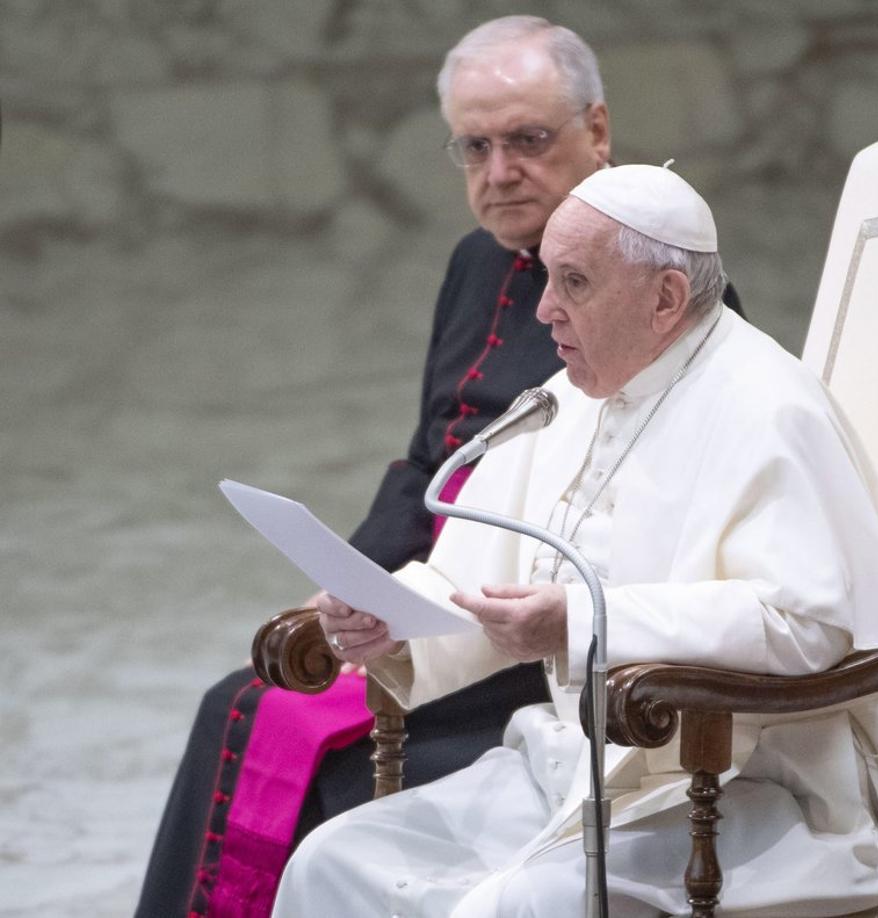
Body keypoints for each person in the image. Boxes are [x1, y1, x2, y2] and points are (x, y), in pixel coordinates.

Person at [135, 16, 743, 918]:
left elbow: (640, 523)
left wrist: (477, 611)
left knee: (267, 718)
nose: (500, 173)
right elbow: (429, 455)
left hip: (524, 637)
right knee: (245, 695)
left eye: (529, 141)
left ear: (599, 131)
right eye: (475, 147)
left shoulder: (665, 293)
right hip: (426, 593)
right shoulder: (472, 265)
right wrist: (349, 581)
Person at [274, 165, 878, 917]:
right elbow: (472, 582)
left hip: (757, 789)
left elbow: (805, 626)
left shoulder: (770, 409)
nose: (546, 311)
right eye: (547, 280)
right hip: (571, 769)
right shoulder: (563, 400)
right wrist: (388, 620)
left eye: (574, 283)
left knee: (517, 907)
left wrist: (579, 623)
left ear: (664, 298)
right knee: (330, 862)